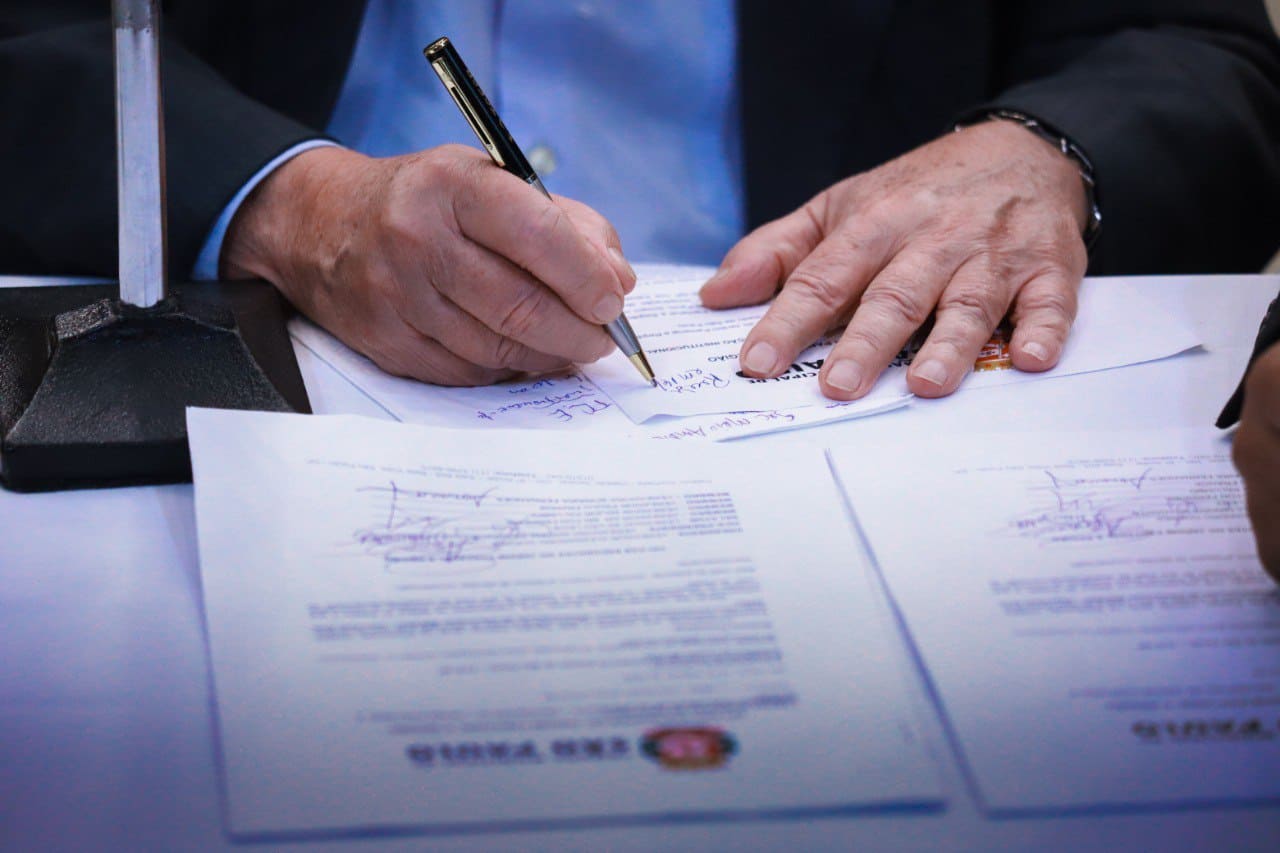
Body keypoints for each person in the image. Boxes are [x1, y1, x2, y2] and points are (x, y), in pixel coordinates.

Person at [3, 2, 1280, 401]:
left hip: (844, 420)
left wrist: (1037, 152)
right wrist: (291, 204)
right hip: (237, 369)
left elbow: (1185, 47)